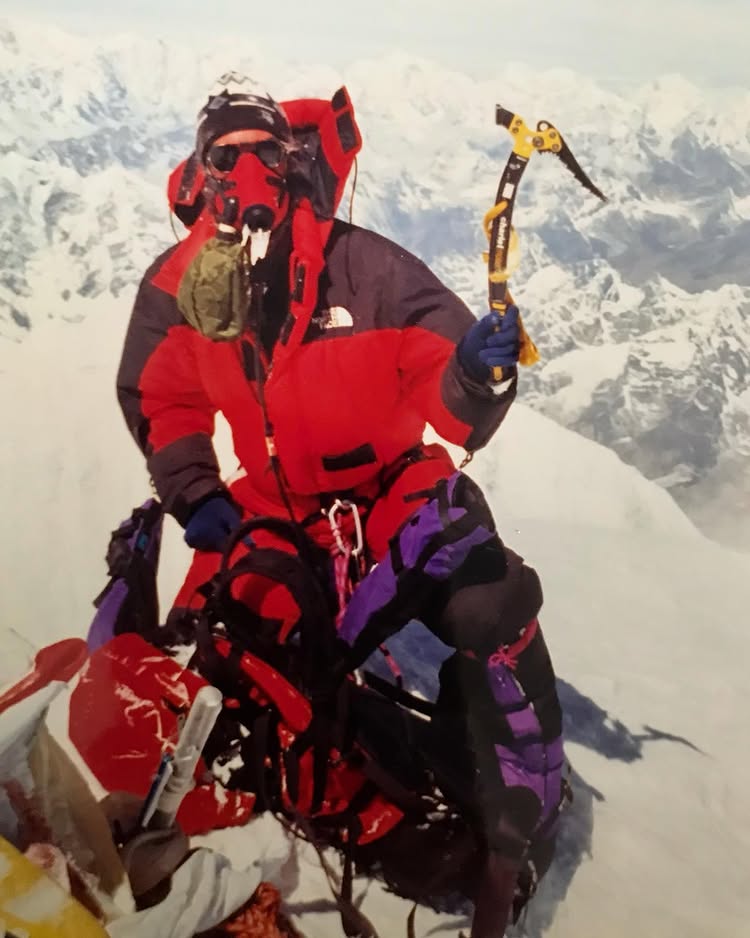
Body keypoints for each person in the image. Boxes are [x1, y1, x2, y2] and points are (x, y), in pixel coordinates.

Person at [116, 73, 565, 938]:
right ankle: (349, 807)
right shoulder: (182, 288)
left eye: (265, 153)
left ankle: (529, 793)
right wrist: (196, 491)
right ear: (199, 172)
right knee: (221, 669)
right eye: (226, 156)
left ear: (294, 162)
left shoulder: (370, 268)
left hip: (392, 490)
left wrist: (475, 374)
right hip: (269, 511)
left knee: (490, 598)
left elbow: (449, 392)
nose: (248, 174)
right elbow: (159, 397)